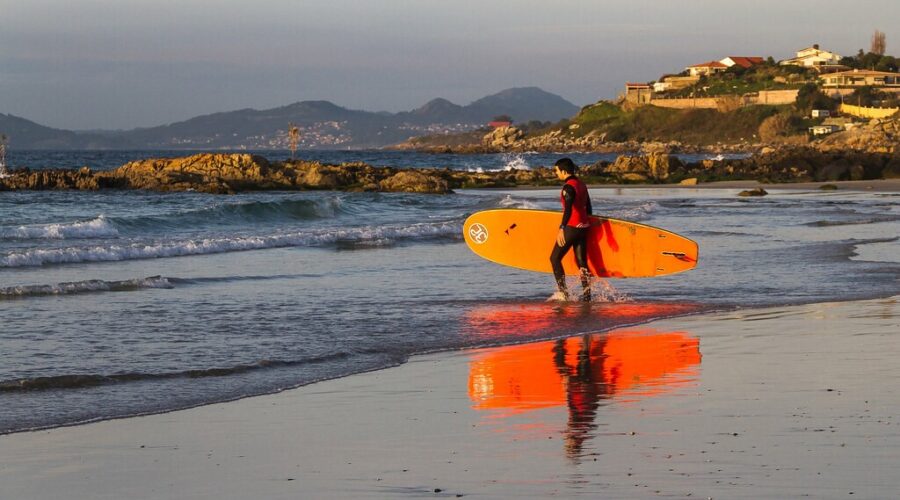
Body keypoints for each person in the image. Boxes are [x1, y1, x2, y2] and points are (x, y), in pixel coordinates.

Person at [549, 158, 593, 302]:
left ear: (563, 171)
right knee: (582, 263)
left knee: (554, 258)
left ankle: (563, 293)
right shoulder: (582, 184)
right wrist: (586, 223)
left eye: (557, 171)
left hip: (572, 227)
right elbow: (589, 208)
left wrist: (562, 228)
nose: (556, 174)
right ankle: (587, 296)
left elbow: (567, 210)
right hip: (584, 227)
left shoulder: (568, 188)